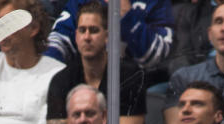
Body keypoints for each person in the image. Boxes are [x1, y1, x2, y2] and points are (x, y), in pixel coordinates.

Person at [45, 1, 146, 124]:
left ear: (108, 36)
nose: (87, 37)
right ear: (75, 36)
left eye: (93, 30)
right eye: (82, 30)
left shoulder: (129, 75)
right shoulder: (61, 79)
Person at [45, 0, 174, 72]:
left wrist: (127, 15)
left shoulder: (156, 2)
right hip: (87, 79)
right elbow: (59, 39)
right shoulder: (81, 2)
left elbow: (156, 56)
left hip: (133, 84)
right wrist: (47, 69)